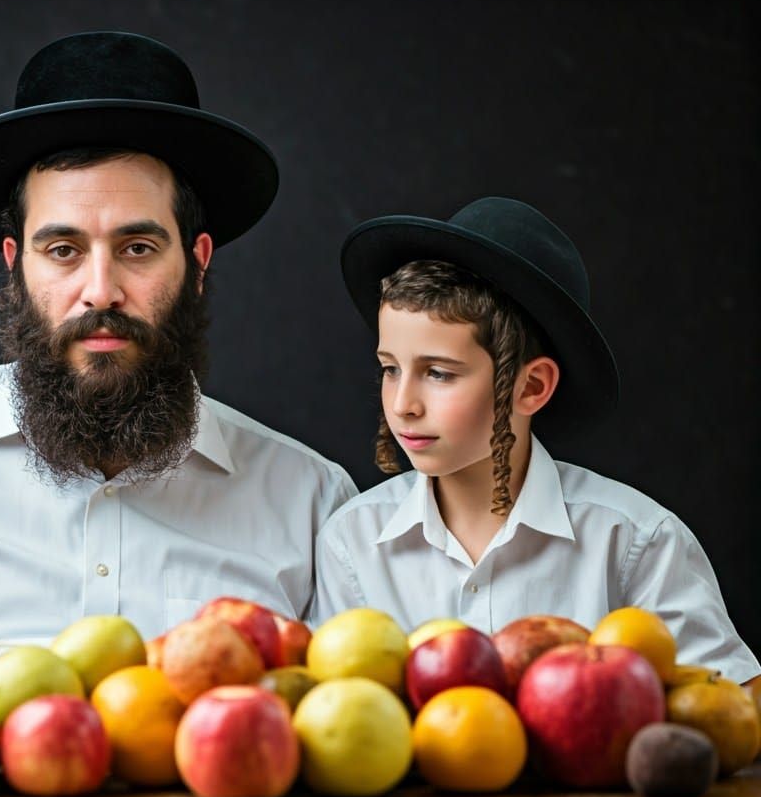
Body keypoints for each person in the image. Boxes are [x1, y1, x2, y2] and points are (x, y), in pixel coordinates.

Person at [0, 31, 357, 655]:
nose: (101, 291)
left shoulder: (311, 504)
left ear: (198, 263)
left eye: (138, 249)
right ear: (15, 264)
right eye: (63, 250)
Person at [313, 196, 759, 683]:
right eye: (390, 369)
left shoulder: (634, 543)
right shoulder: (351, 543)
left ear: (531, 387)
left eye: (439, 373)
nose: (402, 404)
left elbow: (731, 714)